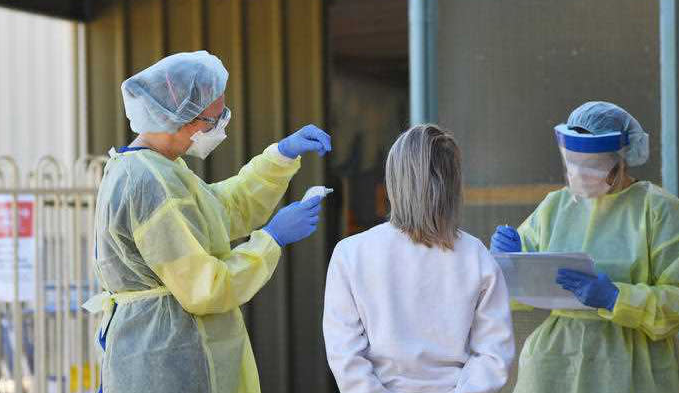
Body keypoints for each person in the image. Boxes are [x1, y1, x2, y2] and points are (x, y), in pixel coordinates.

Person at [84, 51, 332, 393]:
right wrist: (271, 239)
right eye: (212, 120)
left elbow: (220, 210)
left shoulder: (159, 168)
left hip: (168, 352)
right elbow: (205, 287)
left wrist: (281, 156)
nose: (220, 128)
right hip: (167, 363)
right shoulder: (148, 181)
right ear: (177, 118)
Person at [490, 101, 679, 393]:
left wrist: (618, 298)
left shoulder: (657, 209)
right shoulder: (556, 206)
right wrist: (507, 262)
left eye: (592, 165)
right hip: (553, 366)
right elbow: (505, 294)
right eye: (573, 162)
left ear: (621, 158)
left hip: (631, 371)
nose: (580, 173)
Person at [323, 124, 515, 393]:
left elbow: (345, 355)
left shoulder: (350, 254)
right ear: (454, 184)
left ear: (393, 180)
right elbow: (493, 355)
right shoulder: (476, 255)